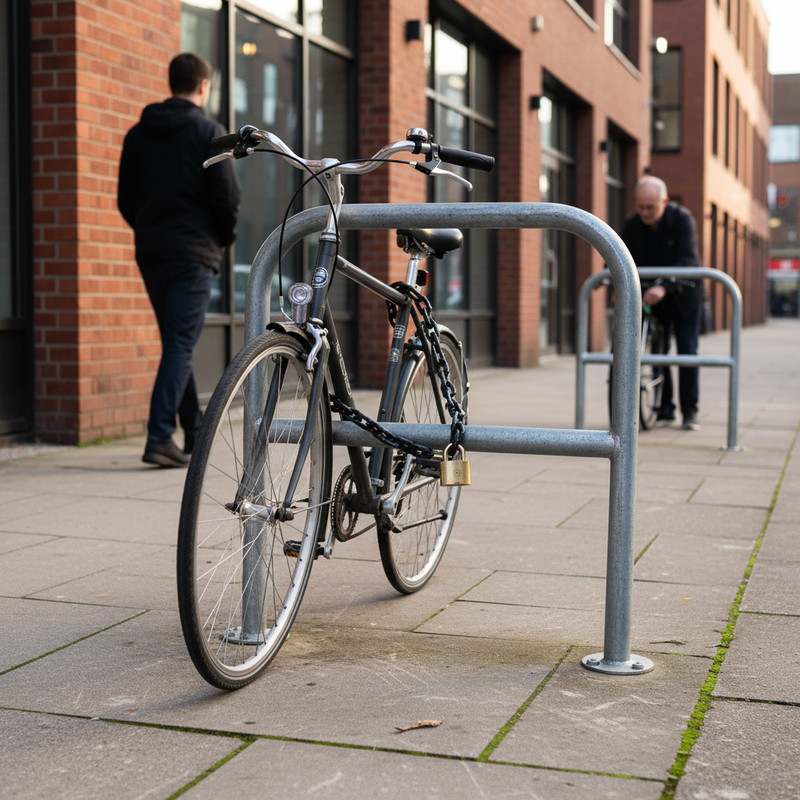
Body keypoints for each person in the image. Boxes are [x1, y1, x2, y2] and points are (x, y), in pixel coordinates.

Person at [118, 53, 241, 467]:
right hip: (193, 252)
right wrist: (224, 239)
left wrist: (151, 231)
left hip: (152, 252)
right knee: (180, 344)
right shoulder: (209, 131)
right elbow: (227, 198)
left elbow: (125, 200)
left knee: (176, 342)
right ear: (203, 86)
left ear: (171, 82)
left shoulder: (137, 134)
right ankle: (158, 436)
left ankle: (193, 430)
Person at [621, 176, 705, 431]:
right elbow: (620, 253)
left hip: (683, 298)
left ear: (665, 201)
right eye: (641, 207)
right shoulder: (632, 225)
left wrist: (664, 286)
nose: (645, 213)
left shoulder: (682, 220)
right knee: (658, 351)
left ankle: (689, 411)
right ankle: (665, 407)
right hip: (652, 298)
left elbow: (686, 259)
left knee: (686, 351)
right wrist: (614, 281)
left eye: (651, 207)